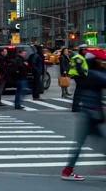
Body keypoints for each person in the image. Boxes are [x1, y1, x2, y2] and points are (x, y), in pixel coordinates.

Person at [61, 51, 106, 181]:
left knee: (82, 143)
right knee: (86, 143)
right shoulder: (96, 75)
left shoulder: (87, 75)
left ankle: (68, 170)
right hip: (92, 113)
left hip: (87, 111)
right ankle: (67, 171)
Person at [69, 44, 90, 112]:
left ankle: (77, 106)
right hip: (79, 76)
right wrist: (84, 76)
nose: (85, 51)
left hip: (80, 76)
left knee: (80, 92)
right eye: (84, 50)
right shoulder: (78, 57)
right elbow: (79, 68)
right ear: (81, 50)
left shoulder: (81, 57)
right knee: (78, 92)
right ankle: (75, 107)